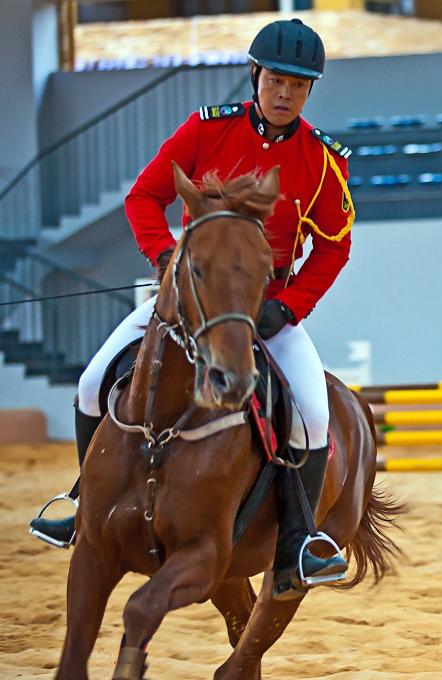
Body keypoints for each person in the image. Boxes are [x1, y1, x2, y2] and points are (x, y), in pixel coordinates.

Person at [30, 18, 355, 600]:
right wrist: (163, 261)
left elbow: (335, 245)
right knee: (89, 383)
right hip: (187, 301)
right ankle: (85, 505)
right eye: (277, 80)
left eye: (299, 86)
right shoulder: (205, 131)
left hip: (266, 311)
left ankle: (298, 544)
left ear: (310, 92)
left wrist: (290, 305)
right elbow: (144, 197)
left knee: (310, 411)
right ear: (255, 76)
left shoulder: (322, 161)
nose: (285, 94)